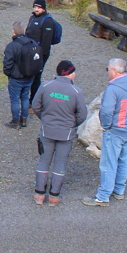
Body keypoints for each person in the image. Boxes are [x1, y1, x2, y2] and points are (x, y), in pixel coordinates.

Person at [83, 58, 127, 207]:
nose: (108, 72)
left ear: (114, 72)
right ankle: (119, 191)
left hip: (115, 131)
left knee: (108, 164)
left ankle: (103, 196)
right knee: (122, 161)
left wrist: (106, 126)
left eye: (108, 69)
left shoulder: (113, 89)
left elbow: (106, 111)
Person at [32, 60, 87, 206]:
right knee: (60, 163)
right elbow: (82, 115)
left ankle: (39, 194)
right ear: (70, 73)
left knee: (44, 161)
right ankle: (54, 197)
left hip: (47, 131)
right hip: (66, 133)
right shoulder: (76, 92)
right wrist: (71, 125)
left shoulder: (46, 86)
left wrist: (45, 119)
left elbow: (36, 105)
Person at [2, 21, 41, 128]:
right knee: (25, 97)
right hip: (29, 76)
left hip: (16, 78)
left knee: (15, 99)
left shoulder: (12, 46)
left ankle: (15, 121)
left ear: (14, 32)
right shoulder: (32, 42)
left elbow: (7, 62)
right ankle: (24, 119)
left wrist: (8, 73)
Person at [26, 0, 58, 100]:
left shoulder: (47, 21)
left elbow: (46, 42)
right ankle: (28, 99)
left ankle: (33, 102)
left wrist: (40, 56)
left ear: (43, 8)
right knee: (28, 75)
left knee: (36, 78)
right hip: (30, 52)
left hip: (39, 54)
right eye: (35, 7)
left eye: (39, 7)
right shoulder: (32, 18)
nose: (36, 9)